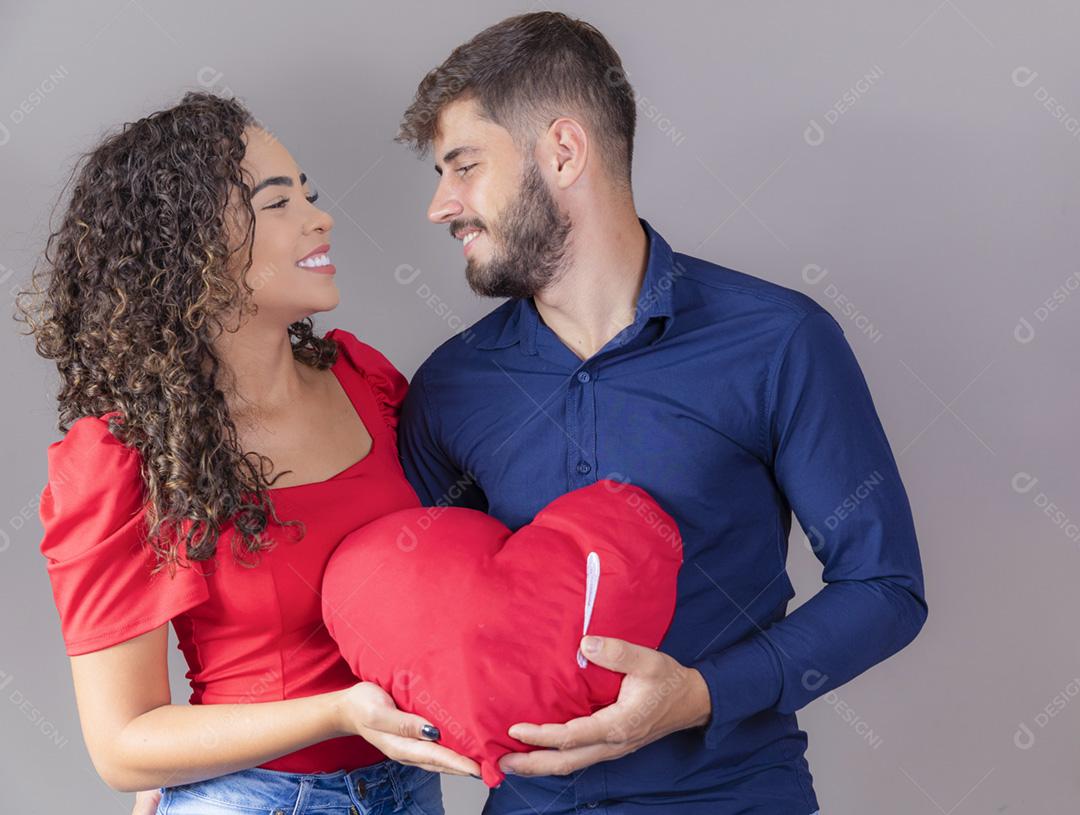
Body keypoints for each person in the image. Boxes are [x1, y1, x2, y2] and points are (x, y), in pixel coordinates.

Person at [394, 11, 928, 814]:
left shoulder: (780, 340)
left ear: (563, 151)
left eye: (464, 166)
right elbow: (421, 602)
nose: (443, 206)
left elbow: (886, 586)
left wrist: (702, 692)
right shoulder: (448, 387)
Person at [18, 92, 476, 815]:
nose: (320, 218)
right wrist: (337, 712)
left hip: (412, 789)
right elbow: (122, 745)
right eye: (276, 203)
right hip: (254, 799)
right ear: (190, 249)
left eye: (311, 196)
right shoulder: (121, 458)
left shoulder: (364, 380)